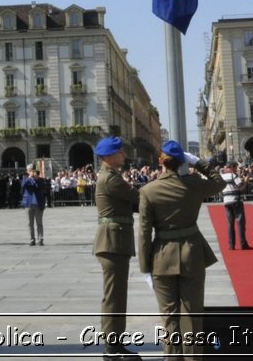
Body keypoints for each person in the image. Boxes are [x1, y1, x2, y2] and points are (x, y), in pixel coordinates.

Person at [138, 141, 225, 360]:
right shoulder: (194, 183)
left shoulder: (148, 190)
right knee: (192, 315)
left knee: (169, 317)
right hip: (191, 253)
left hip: (161, 257)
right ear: (182, 162)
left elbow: (144, 233)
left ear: (161, 161)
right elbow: (219, 182)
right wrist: (199, 162)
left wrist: (145, 267)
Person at [92, 136, 138, 359]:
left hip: (115, 240)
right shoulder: (111, 179)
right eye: (120, 152)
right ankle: (112, 347)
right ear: (110, 156)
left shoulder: (111, 176)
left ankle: (116, 343)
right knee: (114, 296)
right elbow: (138, 198)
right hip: (113, 241)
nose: (124, 155)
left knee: (118, 295)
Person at [219, 164, 251, 250]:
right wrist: (246, 181)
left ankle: (231, 245)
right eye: (235, 167)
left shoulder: (221, 176)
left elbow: (219, 189)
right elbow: (240, 187)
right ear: (231, 167)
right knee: (240, 223)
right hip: (235, 200)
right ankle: (243, 243)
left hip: (226, 201)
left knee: (230, 223)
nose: (236, 169)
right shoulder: (234, 175)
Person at [21, 165, 46, 245]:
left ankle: (40, 239)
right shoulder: (25, 179)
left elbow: (41, 187)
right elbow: (23, 185)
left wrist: (36, 179)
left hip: (38, 204)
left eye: (33, 170)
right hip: (28, 204)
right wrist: (29, 178)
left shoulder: (40, 179)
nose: (32, 172)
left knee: (39, 222)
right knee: (30, 223)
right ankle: (32, 239)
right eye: (30, 170)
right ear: (27, 171)